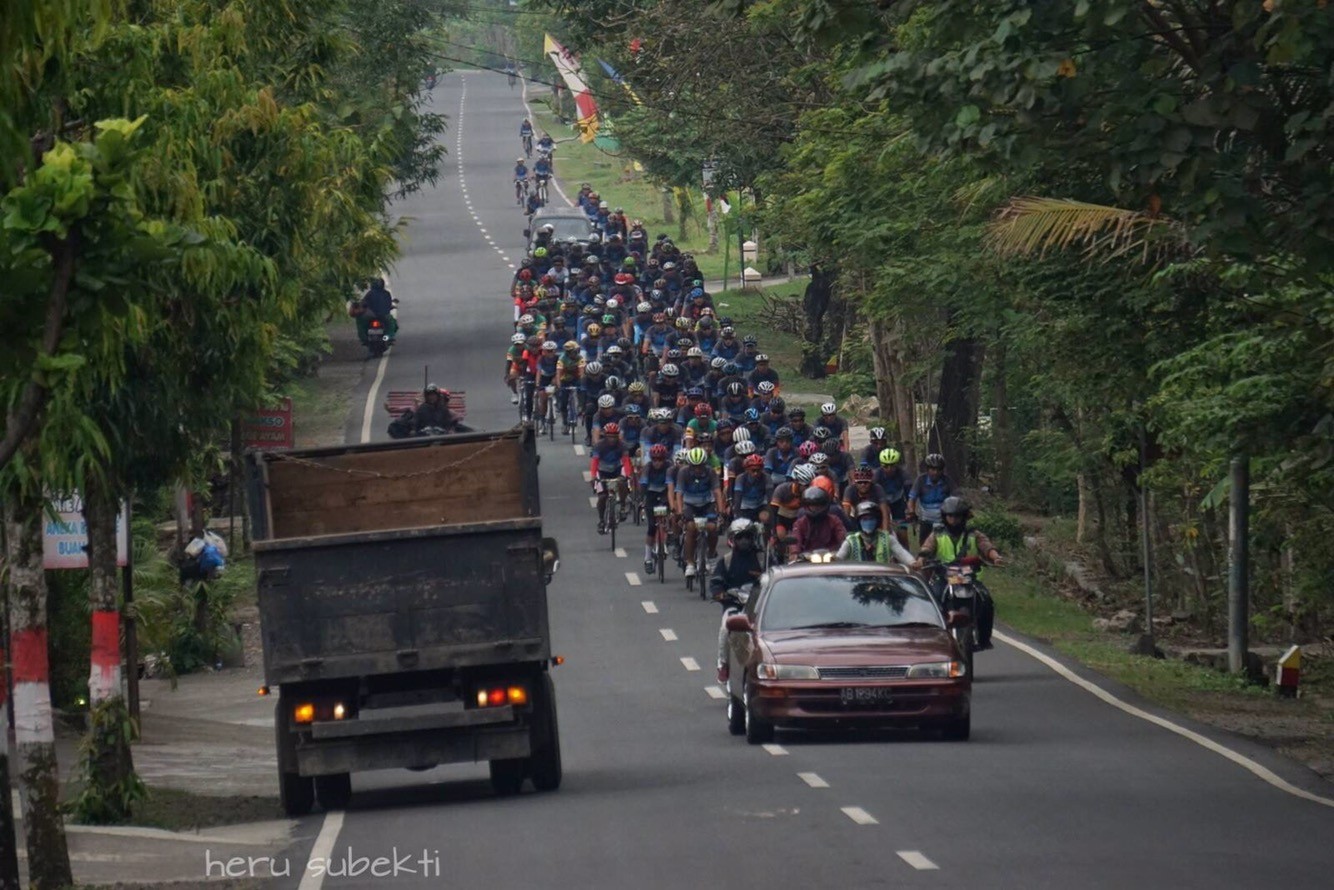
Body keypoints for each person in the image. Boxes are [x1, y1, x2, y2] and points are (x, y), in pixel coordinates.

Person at [915, 496, 1003, 649]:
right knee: (931, 601)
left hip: (968, 577)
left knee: (987, 601)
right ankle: (931, 639)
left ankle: (984, 639)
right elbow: (927, 548)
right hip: (943, 577)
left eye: (957, 516)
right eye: (950, 516)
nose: (954, 519)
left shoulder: (974, 534)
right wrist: (921, 559)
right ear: (944, 517)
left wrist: (996, 557)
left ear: (964, 517)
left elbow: (987, 546)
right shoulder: (937, 533)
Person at [710, 519, 765, 681]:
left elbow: (774, 575)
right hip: (733, 605)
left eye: (748, 536)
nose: (744, 541)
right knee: (725, 629)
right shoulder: (726, 561)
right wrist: (719, 593)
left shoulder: (764, 558)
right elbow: (716, 582)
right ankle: (723, 664)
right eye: (740, 537)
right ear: (733, 539)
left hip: (759, 607)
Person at [670, 446, 725, 579]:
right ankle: (690, 563)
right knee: (691, 528)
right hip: (689, 505)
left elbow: (717, 492)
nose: (697, 469)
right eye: (694, 466)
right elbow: (679, 493)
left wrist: (721, 510)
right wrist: (679, 511)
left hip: (707, 504)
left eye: (700, 466)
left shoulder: (710, 472)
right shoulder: (683, 472)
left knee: (712, 528)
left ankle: (711, 556)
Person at [836, 501, 914, 567]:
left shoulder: (888, 539)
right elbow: (839, 558)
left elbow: (902, 554)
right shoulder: (851, 541)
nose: (868, 522)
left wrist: (912, 563)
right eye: (864, 519)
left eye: (871, 519)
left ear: (878, 521)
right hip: (857, 578)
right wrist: (833, 559)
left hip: (882, 578)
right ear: (858, 522)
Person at [590, 422, 634, 532]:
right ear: (605, 436)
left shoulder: (622, 445)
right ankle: (601, 520)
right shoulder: (599, 446)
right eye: (610, 436)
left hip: (616, 469)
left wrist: (628, 475)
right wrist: (593, 476)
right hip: (602, 471)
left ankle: (622, 506)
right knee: (602, 497)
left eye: (614, 436)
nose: (612, 439)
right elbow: (595, 462)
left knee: (622, 483)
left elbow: (626, 461)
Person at [907, 453, 956, 545]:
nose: (935, 473)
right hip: (926, 520)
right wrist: (912, 513)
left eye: (939, 469)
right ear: (927, 469)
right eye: (932, 469)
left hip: (944, 520)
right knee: (924, 547)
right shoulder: (920, 480)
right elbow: (912, 499)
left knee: (947, 545)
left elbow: (956, 499)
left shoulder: (948, 481)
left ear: (942, 470)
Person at [639, 444, 674, 573]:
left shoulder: (669, 467)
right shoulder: (647, 468)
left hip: (665, 494)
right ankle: (648, 558)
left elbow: (672, 486)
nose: (657, 462)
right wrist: (642, 501)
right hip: (651, 496)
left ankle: (667, 534)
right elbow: (643, 486)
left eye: (660, 459)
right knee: (652, 527)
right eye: (654, 459)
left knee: (671, 515)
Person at [790, 486, 846, 558]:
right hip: (807, 560)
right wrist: (795, 552)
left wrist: (845, 546)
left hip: (832, 558)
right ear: (806, 506)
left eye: (818, 505)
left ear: (824, 505)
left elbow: (842, 535)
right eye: (811, 505)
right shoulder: (800, 523)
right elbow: (796, 538)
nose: (815, 508)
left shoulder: (834, 520)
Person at [354, 277, 397, 344]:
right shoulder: (386, 293)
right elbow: (389, 304)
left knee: (360, 320)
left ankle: (364, 338)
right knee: (392, 324)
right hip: (384, 315)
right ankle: (388, 337)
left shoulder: (370, 293)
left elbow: (363, 303)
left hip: (371, 314)